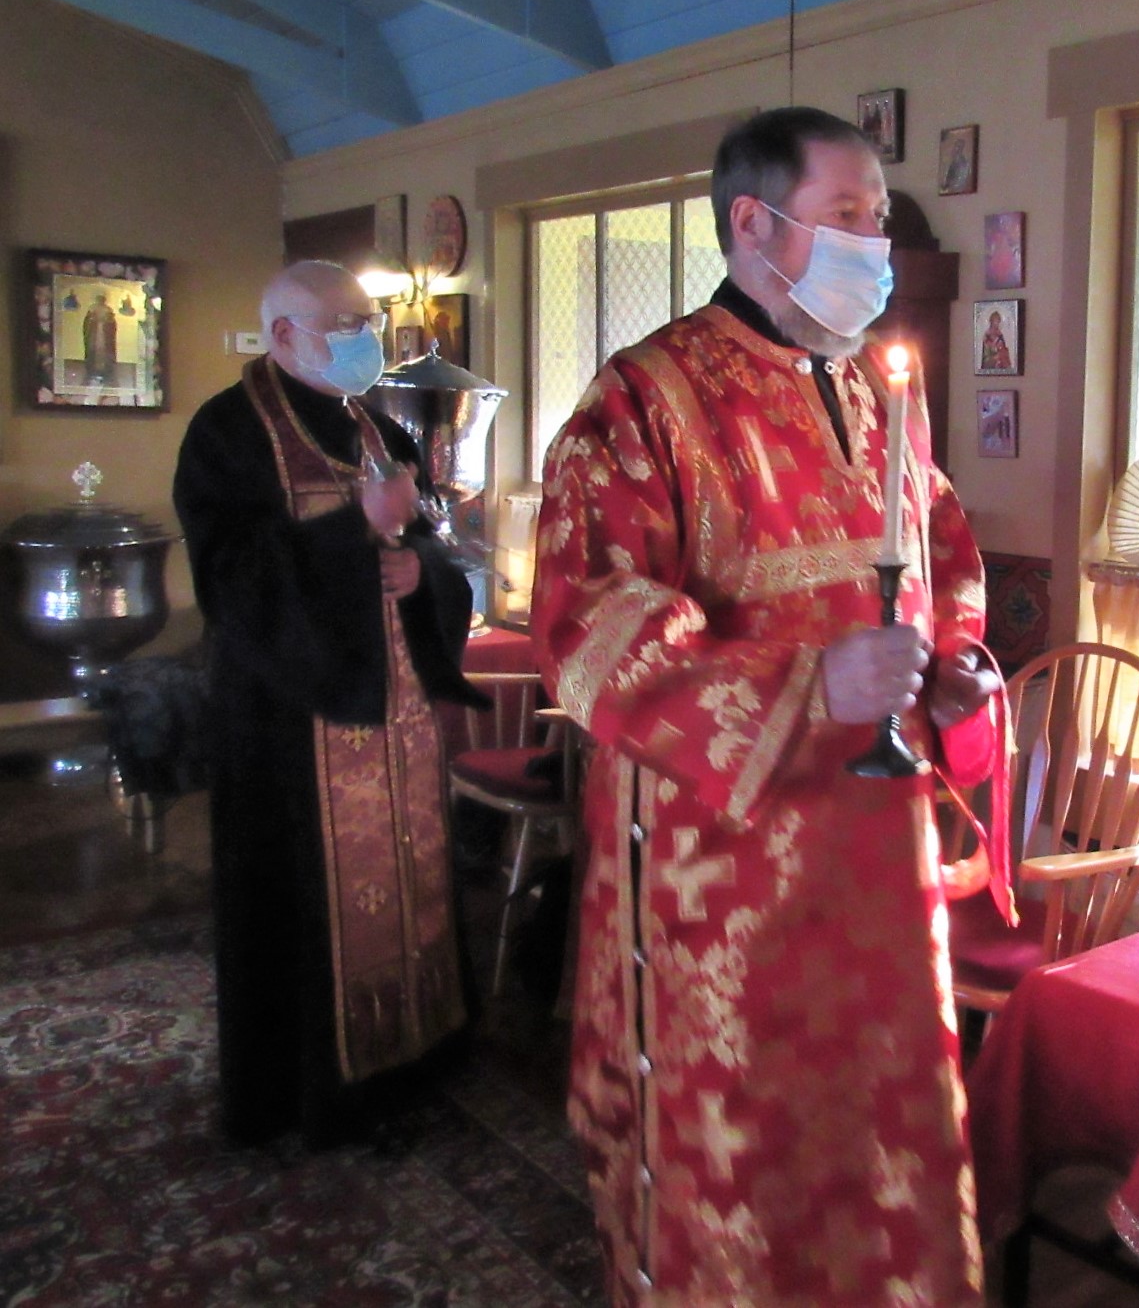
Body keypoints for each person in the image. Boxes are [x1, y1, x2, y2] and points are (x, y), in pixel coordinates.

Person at [531, 106, 1008, 1305]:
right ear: (753, 223)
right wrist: (807, 684)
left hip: (877, 862)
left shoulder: (880, 391)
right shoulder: (644, 397)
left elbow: (940, 548)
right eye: (846, 215)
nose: (874, 243)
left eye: (878, 217)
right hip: (724, 882)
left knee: (877, 1125)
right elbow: (585, 627)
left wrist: (954, 660)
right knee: (750, 1152)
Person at [172, 259, 481, 1147]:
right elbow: (232, 581)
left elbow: (433, 547)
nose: (364, 341)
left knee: (416, 883)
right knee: (301, 910)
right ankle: (311, 1089)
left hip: (396, 717)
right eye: (345, 326)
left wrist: (418, 569)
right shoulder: (227, 433)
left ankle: (418, 1053)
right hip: (291, 724)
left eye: (366, 323)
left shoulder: (377, 427)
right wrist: (358, 532)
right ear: (282, 335)